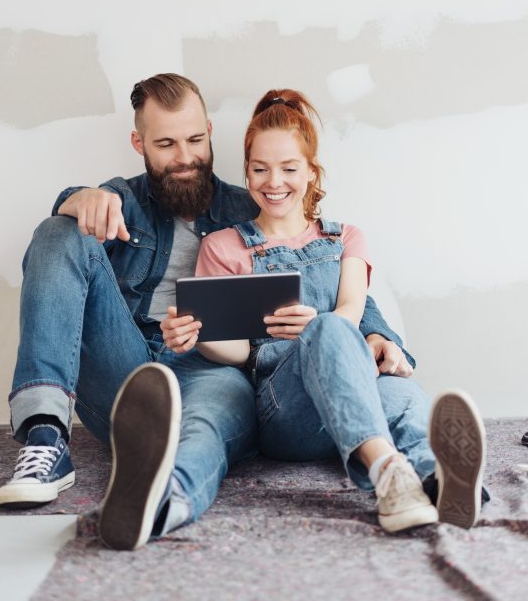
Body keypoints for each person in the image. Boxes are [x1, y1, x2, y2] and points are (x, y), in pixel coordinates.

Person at [0, 73, 414, 550]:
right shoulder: (122, 201)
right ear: (139, 143)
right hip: (128, 369)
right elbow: (72, 219)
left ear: (211, 131)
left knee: (204, 428)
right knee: (58, 230)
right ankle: (45, 438)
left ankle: (161, 502)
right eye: (166, 144)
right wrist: (76, 198)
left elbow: (330, 267)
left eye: (195, 139)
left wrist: (380, 335)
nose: (185, 157)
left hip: (214, 367)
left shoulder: (252, 204)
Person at [169, 89, 488, 532]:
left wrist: (338, 334)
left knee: (402, 393)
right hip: (285, 410)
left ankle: (439, 480)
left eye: (288, 168)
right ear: (246, 172)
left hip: (352, 392)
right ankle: (388, 475)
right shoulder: (223, 247)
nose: (273, 182)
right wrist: (199, 333)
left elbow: (353, 310)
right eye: (259, 169)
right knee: (326, 330)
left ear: (312, 172)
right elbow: (240, 352)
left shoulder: (345, 239)